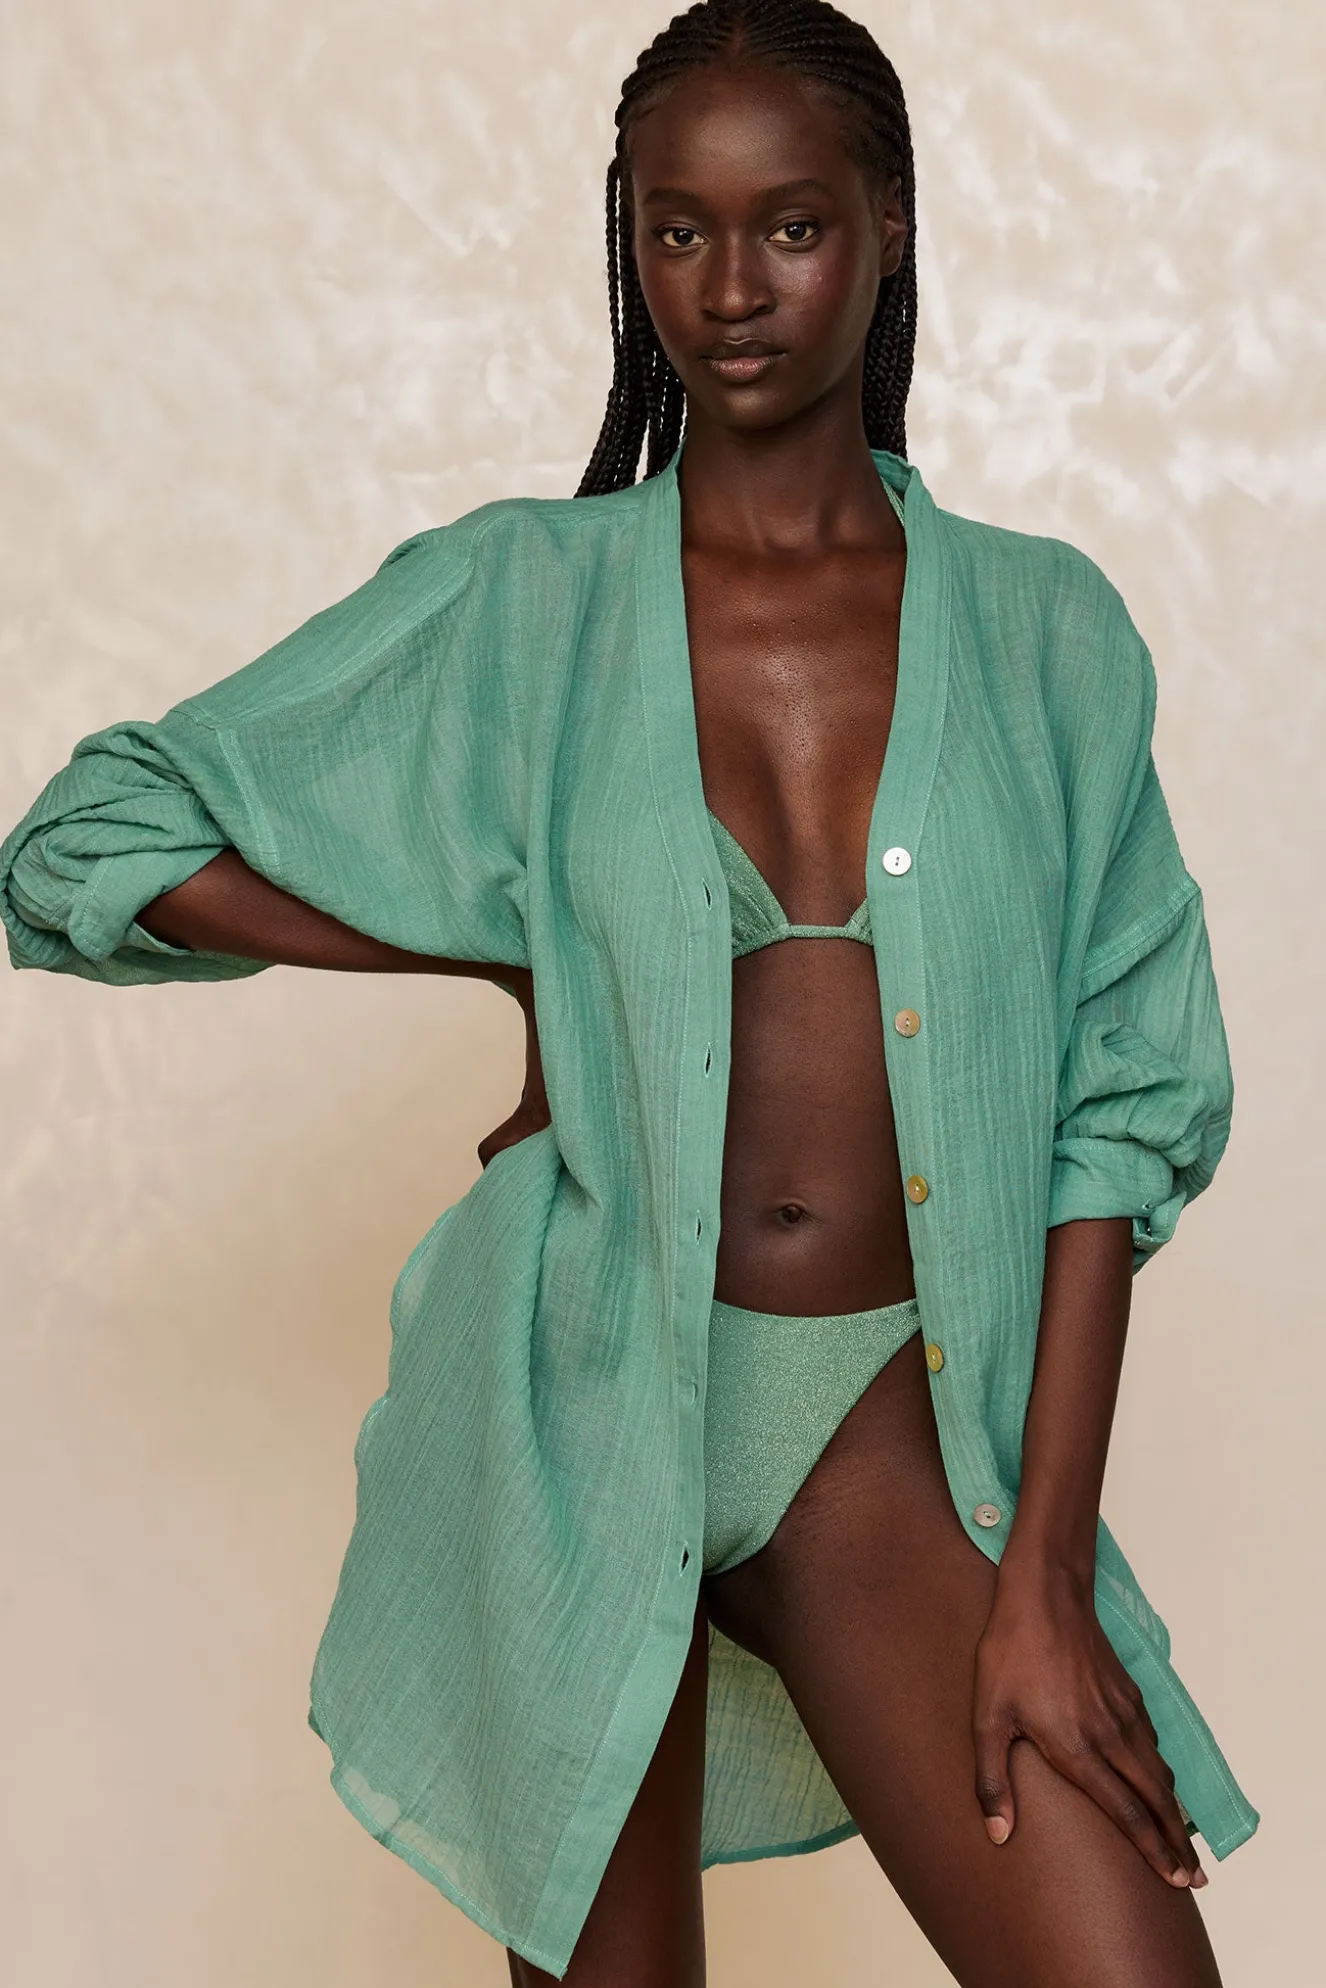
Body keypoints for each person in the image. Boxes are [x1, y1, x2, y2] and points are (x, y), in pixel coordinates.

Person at [1, 2, 1259, 1983]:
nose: (730, 289)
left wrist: (1038, 1577)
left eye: (791, 227)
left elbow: (1118, 1109)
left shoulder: (1047, 632)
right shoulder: (525, 598)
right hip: (577, 1406)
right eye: (678, 230)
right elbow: (85, 842)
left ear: (889, 227)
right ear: (631, 241)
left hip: (881, 1431)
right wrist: (516, 935)